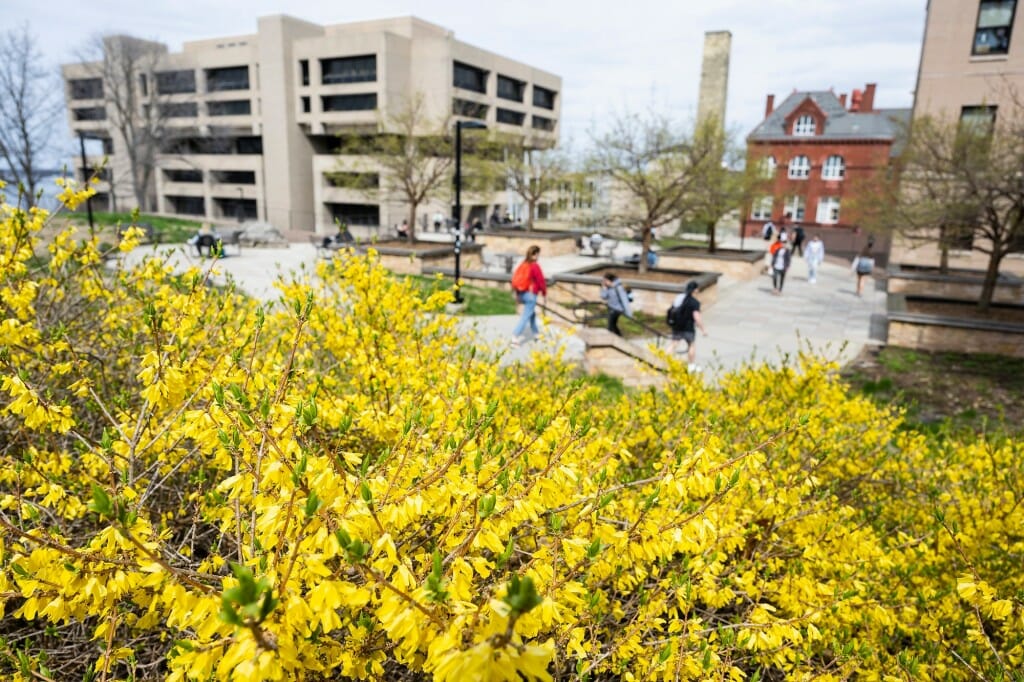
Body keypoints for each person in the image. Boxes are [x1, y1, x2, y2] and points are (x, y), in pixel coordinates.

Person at [510, 245, 547, 346]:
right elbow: (541, 281)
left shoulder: (524, 264)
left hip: (521, 293)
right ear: (535, 254)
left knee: (532, 314)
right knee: (526, 316)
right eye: (538, 254)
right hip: (530, 295)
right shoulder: (535, 266)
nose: (539, 256)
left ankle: (536, 334)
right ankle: (515, 336)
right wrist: (544, 292)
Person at [668, 280, 707, 366]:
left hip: (677, 326)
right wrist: (703, 330)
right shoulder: (694, 302)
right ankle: (691, 366)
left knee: (674, 344)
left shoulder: (680, 298)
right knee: (691, 345)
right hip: (688, 328)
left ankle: (664, 360)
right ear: (695, 290)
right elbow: (697, 317)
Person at [600, 272, 633, 336]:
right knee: (613, 325)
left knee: (610, 325)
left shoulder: (619, 288)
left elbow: (625, 301)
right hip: (611, 308)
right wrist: (604, 288)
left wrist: (629, 314)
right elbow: (604, 297)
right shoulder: (608, 287)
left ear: (610, 280)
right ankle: (619, 336)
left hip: (617, 310)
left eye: (605, 281)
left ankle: (612, 338)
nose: (604, 282)